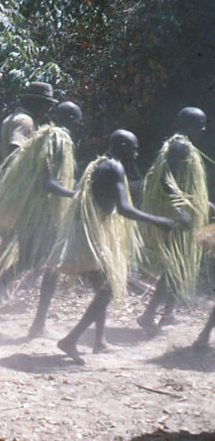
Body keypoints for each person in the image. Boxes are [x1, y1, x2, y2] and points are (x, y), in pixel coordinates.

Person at [51, 130, 177, 364]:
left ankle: (99, 341)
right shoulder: (114, 168)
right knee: (106, 291)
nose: (137, 153)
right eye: (133, 148)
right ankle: (71, 339)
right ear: (121, 145)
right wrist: (158, 221)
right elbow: (124, 209)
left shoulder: (100, 163)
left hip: (86, 231)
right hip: (89, 235)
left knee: (104, 289)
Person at [0, 101, 81, 335]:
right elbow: (47, 182)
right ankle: (38, 325)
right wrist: (75, 194)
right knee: (49, 264)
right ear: (71, 120)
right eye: (77, 122)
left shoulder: (45, 137)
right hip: (44, 215)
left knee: (24, 262)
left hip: (36, 212)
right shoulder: (57, 140)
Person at [137, 107, 210, 336]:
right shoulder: (179, 145)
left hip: (181, 214)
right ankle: (150, 314)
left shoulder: (181, 144)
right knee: (175, 266)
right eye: (200, 124)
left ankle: (168, 313)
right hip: (176, 217)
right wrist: (182, 211)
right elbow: (166, 180)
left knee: (179, 264)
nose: (203, 129)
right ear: (187, 124)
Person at [0, 82, 57, 161]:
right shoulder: (24, 121)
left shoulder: (19, 118)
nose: (48, 109)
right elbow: (15, 151)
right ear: (37, 102)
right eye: (47, 104)